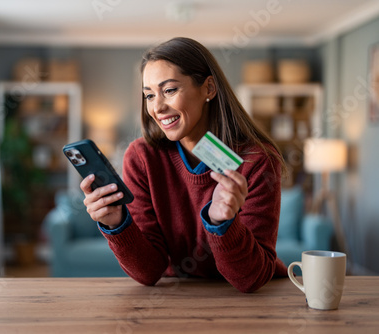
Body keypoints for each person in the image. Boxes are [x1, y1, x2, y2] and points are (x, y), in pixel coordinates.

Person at [80, 37, 288, 293]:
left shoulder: (256, 160)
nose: (157, 107)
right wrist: (117, 224)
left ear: (209, 88)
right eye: (149, 95)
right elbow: (149, 272)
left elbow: (251, 279)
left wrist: (222, 222)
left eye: (169, 90)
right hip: (177, 297)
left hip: (252, 301)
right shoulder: (141, 158)